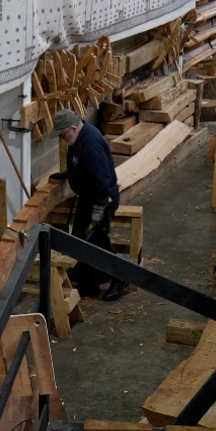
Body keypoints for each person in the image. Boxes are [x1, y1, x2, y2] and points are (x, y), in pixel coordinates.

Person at [50, 110, 127, 301]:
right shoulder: (76, 139)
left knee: (99, 241)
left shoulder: (91, 144)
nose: (62, 139)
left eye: (63, 134)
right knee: (80, 239)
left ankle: (120, 277)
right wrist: (69, 173)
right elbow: (82, 165)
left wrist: (99, 209)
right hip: (88, 197)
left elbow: (102, 179)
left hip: (101, 199)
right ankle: (88, 283)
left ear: (74, 128)